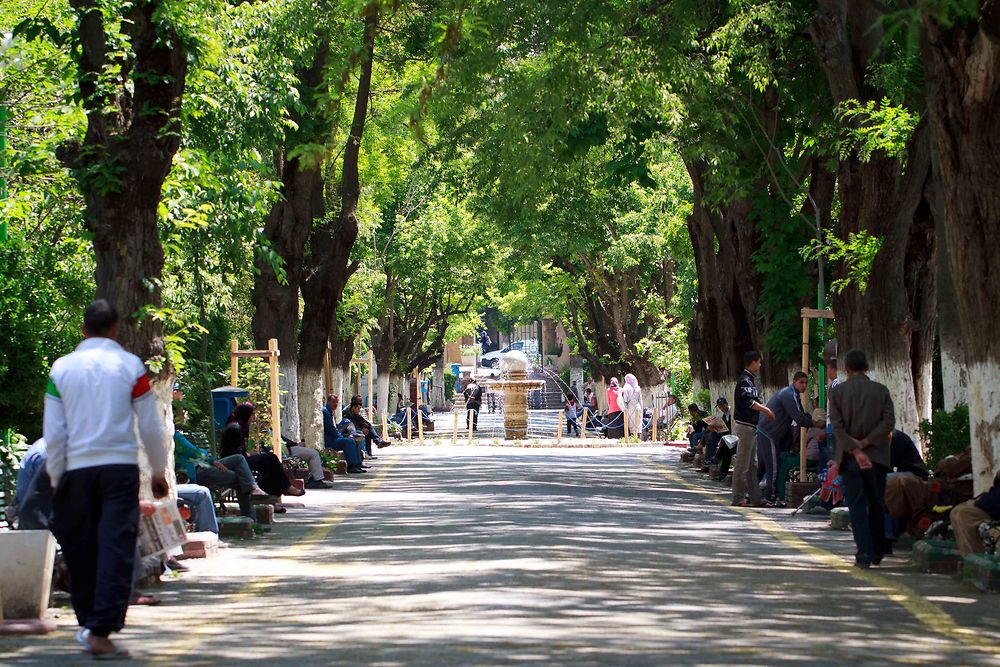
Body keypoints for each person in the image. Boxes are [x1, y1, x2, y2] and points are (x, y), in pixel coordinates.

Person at [43, 299, 169, 658]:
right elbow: (149, 424)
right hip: (118, 470)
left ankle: (90, 625)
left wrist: (56, 477)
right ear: (116, 330)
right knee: (115, 545)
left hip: (75, 471)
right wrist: (158, 473)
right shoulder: (129, 367)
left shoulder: (61, 369)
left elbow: (55, 432)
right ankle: (101, 629)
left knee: (81, 548)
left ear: (83, 330)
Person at [829, 348, 895, 568]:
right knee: (877, 504)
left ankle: (864, 554)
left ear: (846, 369)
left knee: (857, 506)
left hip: (849, 460)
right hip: (877, 457)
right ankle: (878, 550)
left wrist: (855, 450)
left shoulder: (837, 393)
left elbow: (837, 428)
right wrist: (866, 445)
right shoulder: (881, 391)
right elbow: (888, 423)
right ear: (867, 367)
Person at [219, 402, 304, 497]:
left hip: (239, 459)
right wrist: (249, 454)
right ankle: (286, 488)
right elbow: (232, 453)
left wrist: (248, 453)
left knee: (269, 463)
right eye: (252, 414)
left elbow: (237, 449)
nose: (253, 417)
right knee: (270, 459)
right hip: (234, 463)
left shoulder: (238, 426)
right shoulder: (235, 428)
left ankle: (272, 498)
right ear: (245, 414)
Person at [756, 371, 814, 506]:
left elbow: (801, 413)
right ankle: (770, 497)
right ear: (794, 382)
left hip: (766, 431)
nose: (804, 385)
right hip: (769, 433)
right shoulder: (788, 395)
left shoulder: (792, 394)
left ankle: (749, 494)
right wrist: (815, 423)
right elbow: (799, 418)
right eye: (802, 382)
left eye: (806, 383)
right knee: (773, 467)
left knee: (763, 467)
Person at [731, 351, 775, 508]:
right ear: (752, 363)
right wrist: (766, 410)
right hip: (745, 426)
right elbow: (750, 403)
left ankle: (757, 499)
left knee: (752, 465)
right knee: (743, 464)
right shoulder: (745, 380)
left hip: (751, 427)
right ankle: (738, 498)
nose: (760, 365)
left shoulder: (750, 380)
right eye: (759, 362)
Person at [949, 471, 1000, 555]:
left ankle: (974, 560)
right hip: (992, 500)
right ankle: (967, 557)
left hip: (994, 505)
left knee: (963, 515)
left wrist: (980, 501)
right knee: (955, 512)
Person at [323, 394, 367, 474]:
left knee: (354, 439)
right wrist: (340, 436)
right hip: (329, 439)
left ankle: (358, 464)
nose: (335, 404)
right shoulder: (325, 412)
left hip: (334, 437)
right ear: (328, 402)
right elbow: (330, 428)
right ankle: (351, 465)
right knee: (349, 442)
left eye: (337, 403)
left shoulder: (330, 412)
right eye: (333, 402)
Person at [703, 398, 732, 465]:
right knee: (711, 434)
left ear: (726, 404)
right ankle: (709, 459)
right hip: (724, 431)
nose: (721, 408)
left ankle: (711, 458)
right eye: (719, 407)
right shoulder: (724, 414)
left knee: (713, 435)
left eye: (722, 406)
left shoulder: (731, 412)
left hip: (731, 433)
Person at [620, 374, 643, 438]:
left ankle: (633, 438)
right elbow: (640, 400)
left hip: (630, 408)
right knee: (638, 424)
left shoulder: (626, 388)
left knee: (632, 424)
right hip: (638, 407)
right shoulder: (638, 388)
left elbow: (625, 399)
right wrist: (642, 408)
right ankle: (639, 438)